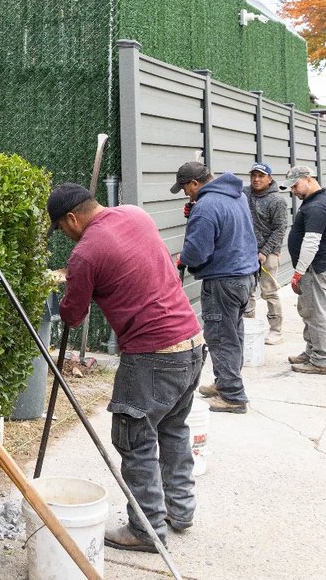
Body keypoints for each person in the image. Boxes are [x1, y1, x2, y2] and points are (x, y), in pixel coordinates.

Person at [49, 182, 205, 553]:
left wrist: (69, 283)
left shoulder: (85, 254)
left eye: (61, 229)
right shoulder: (136, 214)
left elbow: (72, 315)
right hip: (192, 343)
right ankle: (179, 511)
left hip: (152, 355)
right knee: (172, 429)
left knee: (134, 440)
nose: (65, 237)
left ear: (72, 218)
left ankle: (146, 530)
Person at [172, 160, 258, 414]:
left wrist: (184, 257)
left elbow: (198, 251)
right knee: (234, 333)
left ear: (195, 183)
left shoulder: (206, 206)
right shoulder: (237, 195)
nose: (185, 193)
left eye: (185, 187)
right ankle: (224, 382)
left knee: (220, 336)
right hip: (244, 276)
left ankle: (233, 396)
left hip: (223, 280)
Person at [280, 165, 326, 374]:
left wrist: (299, 271)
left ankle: (321, 361)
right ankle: (312, 351)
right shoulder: (316, 202)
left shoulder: (316, 207)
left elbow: (311, 242)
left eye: (295, 185)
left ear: (308, 179)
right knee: (310, 312)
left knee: (316, 314)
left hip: (316, 268)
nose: (293, 191)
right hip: (318, 267)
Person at [243, 163, 289, 346]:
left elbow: (280, 230)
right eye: (253, 175)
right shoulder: (244, 194)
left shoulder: (277, 200)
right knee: (247, 292)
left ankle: (276, 330)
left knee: (269, 292)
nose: (256, 179)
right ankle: (248, 327)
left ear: (269, 178)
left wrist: (264, 252)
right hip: (247, 252)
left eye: (261, 176)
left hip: (268, 253)